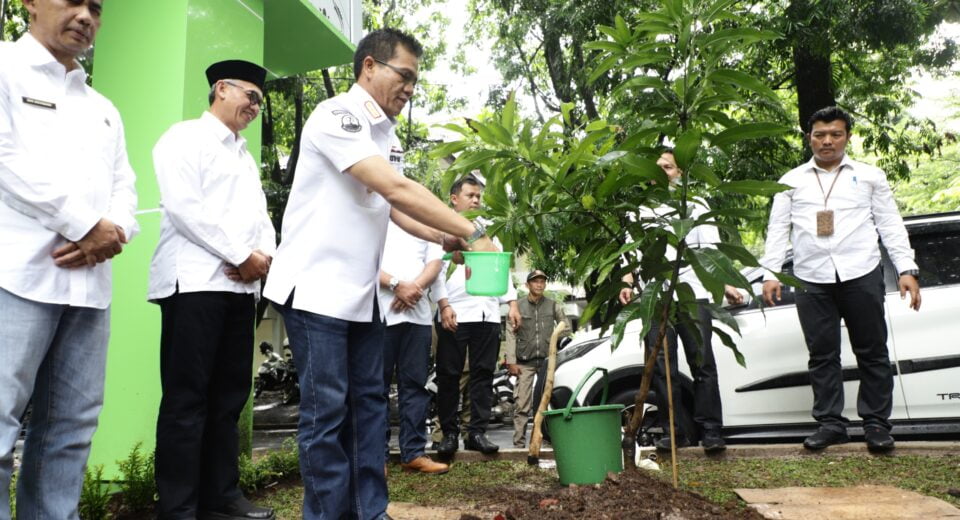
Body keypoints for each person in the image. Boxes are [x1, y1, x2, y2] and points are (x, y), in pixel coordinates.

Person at [261, 28, 497, 520]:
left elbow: (393, 207)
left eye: (415, 79)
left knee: (369, 409)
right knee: (326, 416)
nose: (410, 88)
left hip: (360, 295)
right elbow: (390, 184)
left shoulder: (385, 134)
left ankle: (371, 512)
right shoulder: (336, 116)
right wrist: (470, 230)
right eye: (404, 75)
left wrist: (444, 237)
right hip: (315, 292)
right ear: (369, 66)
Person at [0, 0, 139, 516]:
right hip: (15, 275)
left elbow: (126, 184)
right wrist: (84, 225)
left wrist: (115, 229)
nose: (85, 15)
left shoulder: (102, 106)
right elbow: (4, 158)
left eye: (96, 7)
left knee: (72, 430)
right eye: (73, 1)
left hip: (89, 289)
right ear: (29, 3)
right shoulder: (4, 68)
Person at [147, 59, 276, 520]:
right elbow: (185, 207)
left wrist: (263, 259)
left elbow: (262, 221)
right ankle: (179, 507)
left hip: (241, 292)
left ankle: (222, 497)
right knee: (187, 399)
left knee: (229, 398)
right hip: (194, 284)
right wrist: (241, 255)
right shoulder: (184, 138)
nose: (256, 107)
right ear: (221, 89)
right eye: (251, 97)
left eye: (260, 101)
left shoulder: (244, 155)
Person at [759, 106, 921, 452]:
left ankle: (876, 424)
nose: (827, 141)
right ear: (809, 138)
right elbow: (777, 230)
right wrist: (770, 274)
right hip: (810, 278)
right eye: (820, 135)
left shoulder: (870, 176)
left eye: (835, 134)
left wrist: (906, 269)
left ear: (847, 136)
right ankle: (830, 424)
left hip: (860, 272)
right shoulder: (791, 180)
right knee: (822, 354)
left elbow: (890, 224)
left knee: (873, 351)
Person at [619, 149, 742, 453]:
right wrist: (627, 282)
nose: (663, 173)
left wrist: (725, 283)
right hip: (655, 299)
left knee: (702, 363)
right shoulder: (639, 212)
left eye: (669, 167)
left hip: (692, 295)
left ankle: (711, 430)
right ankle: (674, 432)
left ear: (681, 173)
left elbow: (710, 251)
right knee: (661, 368)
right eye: (657, 168)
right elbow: (632, 256)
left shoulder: (696, 205)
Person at [435, 174, 521, 457]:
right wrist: (443, 304)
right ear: (454, 199)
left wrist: (512, 303)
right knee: (449, 374)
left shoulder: (487, 234)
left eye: (478, 196)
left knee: (483, 374)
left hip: (486, 314)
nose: (476, 200)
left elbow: (500, 267)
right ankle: (448, 434)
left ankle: (477, 433)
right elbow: (432, 266)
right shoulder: (440, 229)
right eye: (470, 195)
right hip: (454, 312)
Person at [379, 220, 449, 474]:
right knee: (376, 387)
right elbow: (363, 262)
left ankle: (414, 452)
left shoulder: (422, 224)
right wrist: (397, 285)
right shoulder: (375, 214)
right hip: (380, 313)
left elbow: (435, 264)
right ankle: (377, 456)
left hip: (418, 317)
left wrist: (413, 289)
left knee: (416, 387)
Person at [504, 270, 570, 448]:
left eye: (542, 281)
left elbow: (566, 327)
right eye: (535, 282)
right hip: (524, 362)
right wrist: (511, 361)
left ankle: (547, 441)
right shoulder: (517, 306)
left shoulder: (553, 305)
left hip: (548, 363)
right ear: (527, 285)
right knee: (522, 404)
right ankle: (518, 445)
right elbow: (510, 334)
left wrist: (556, 343)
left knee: (549, 402)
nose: (539, 285)